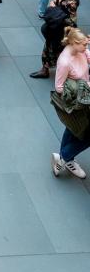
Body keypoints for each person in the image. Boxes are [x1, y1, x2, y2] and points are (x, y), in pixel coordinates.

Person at [51, 28, 90, 180]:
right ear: (75, 43)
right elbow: (59, 87)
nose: (86, 48)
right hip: (77, 102)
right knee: (85, 134)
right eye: (84, 45)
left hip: (85, 99)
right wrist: (83, 87)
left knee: (72, 128)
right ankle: (65, 157)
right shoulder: (65, 61)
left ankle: (64, 158)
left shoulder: (80, 51)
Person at [30, 0, 79, 79]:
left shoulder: (71, 0)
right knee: (48, 47)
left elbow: (71, 20)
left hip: (64, 32)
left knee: (62, 52)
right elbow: (58, 4)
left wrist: (54, 9)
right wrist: (54, 3)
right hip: (55, 28)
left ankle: (68, 73)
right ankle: (45, 69)